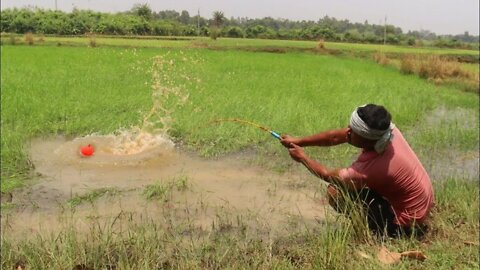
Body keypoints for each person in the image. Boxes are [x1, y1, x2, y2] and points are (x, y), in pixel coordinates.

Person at [280, 104, 434, 237]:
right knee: (355, 186)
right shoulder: (388, 132)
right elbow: (335, 137)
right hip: (418, 208)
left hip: (406, 226)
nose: (347, 132)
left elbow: (328, 175)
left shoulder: (372, 167)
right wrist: (298, 141)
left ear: (366, 138)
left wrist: (302, 158)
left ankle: (378, 232)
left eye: (353, 132)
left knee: (335, 191)